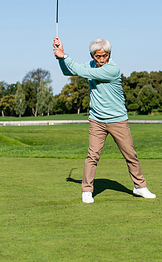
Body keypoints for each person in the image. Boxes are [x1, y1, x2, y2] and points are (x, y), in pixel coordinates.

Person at [53, 37, 156, 203]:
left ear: (109, 54)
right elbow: (69, 71)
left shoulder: (112, 69)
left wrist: (64, 55)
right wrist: (59, 58)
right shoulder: (90, 65)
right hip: (97, 120)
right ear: (92, 55)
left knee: (130, 154)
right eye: (97, 56)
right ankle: (87, 191)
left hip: (118, 120)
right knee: (92, 156)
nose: (101, 60)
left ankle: (140, 187)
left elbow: (82, 72)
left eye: (104, 56)